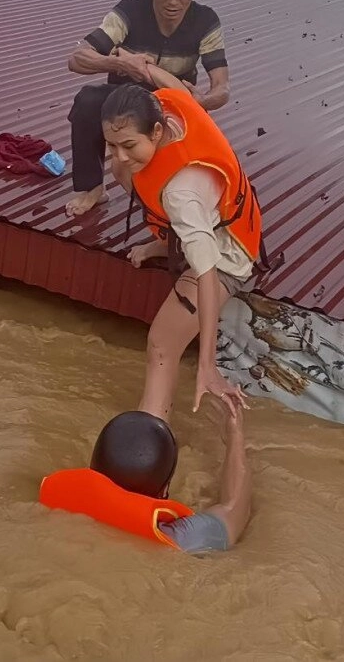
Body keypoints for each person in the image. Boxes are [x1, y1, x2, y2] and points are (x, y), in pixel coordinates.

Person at [101, 62, 263, 421]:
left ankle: (152, 432)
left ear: (157, 131)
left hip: (227, 254)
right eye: (111, 145)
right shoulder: (169, 104)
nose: (120, 154)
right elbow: (172, 82)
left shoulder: (181, 195)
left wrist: (206, 364)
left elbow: (206, 274)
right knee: (122, 170)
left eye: (128, 145)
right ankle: (169, 242)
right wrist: (143, 66)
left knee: (162, 344)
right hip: (208, 217)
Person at [65, 0, 230, 218]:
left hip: (171, 103)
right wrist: (120, 63)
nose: (174, 1)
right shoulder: (129, 12)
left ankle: (175, 203)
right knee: (87, 101)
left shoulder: (206, 21)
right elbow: (77, 58)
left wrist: (203, 101)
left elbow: (222, 87)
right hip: (124, 98)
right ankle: (92, 187)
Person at [40, 405, 252, 554]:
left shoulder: (52, 498)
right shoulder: (178, 538)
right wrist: (235, 433)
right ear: (164, 490)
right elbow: (234, 508)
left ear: (92, 469)